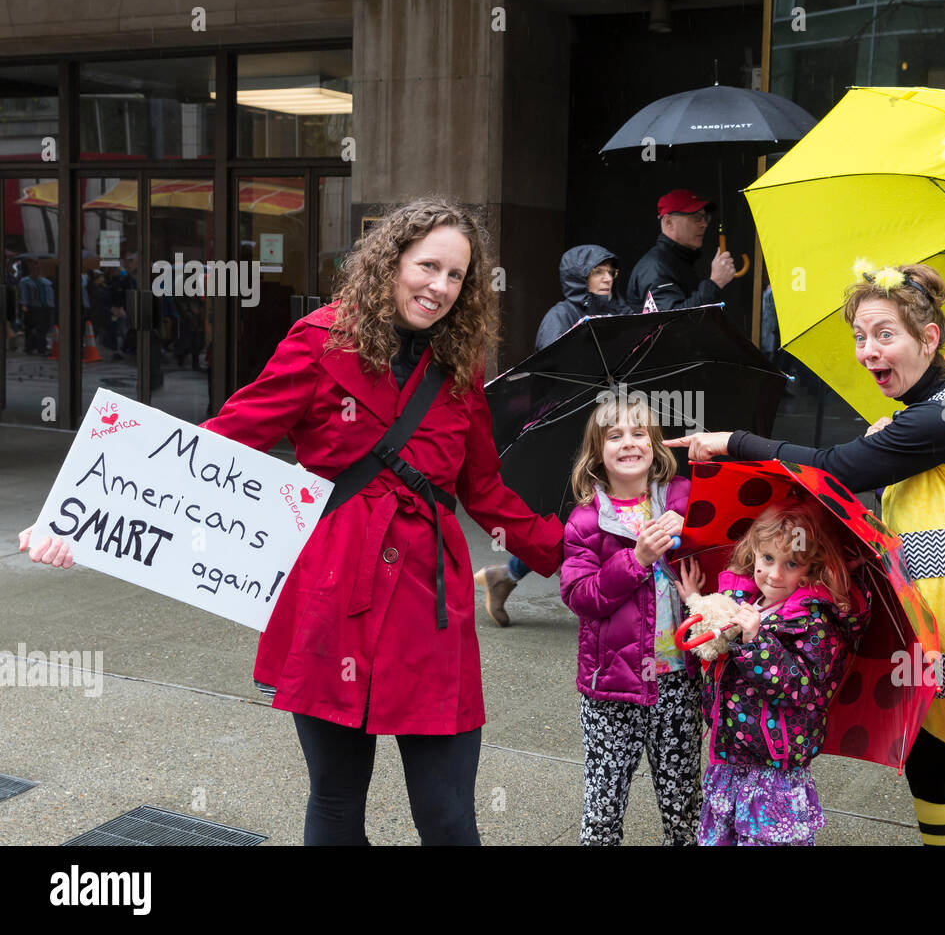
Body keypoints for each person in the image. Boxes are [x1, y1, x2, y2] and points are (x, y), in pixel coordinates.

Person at [20, 196, 563, 846]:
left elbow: (486, 490)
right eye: (429, 266)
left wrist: (588, 550)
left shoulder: (460, 367)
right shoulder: (319, 342)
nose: (441, 287)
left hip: (430, 608)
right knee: (335, 807)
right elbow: (222, 444)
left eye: (457, 276)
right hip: (334, 596)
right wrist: (79, 520)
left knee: (447, 819)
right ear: (391, 262)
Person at [666, 263, 945, 846]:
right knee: (930, 768)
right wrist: (889, 435)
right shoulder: (932, 412)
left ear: (930, 338)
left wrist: (732, 443)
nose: (868, 351)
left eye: (885, 335)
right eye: (860, 337)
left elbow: (835, 470)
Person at [677, 498, 864, 846]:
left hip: (773, 767)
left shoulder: (813, 622)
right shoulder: (751, 601)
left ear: (809, 569)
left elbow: (800, 687)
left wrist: (756, 639)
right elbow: (713, 657)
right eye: (767, 559)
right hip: (730, 754)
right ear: (755, 552)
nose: (775, 574)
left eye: (791, 563)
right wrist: (698, 602)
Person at [559, 393, 700, 845]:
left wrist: (692, 534)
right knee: (603, 807)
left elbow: (723, 549)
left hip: (676, 679)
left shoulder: (682, 500)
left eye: (639, 433)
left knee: (684, 805)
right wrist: (636, 559)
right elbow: (581, 595)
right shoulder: (586, 522)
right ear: (597, 452)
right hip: (610, 687)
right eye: (615, 435)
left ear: (655, 444)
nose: (629, 443)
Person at [474, 245, 620, 625]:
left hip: (602, 432)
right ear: (578, 278)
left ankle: (506, 576)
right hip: (569, 434)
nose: (607, 279)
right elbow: (554, 372)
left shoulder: (614, 313)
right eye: (598, 272)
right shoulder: (562, 315)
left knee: (588, 514)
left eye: (610, 272)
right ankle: (596, 600)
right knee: (580, 515)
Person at [624, 189, 735, 313]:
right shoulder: (655, 267)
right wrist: (715, 283)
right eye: (697, 217)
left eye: (705, 218)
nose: (704, 224)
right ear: (668, 222)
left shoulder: (680, 260)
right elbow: (672, 321)